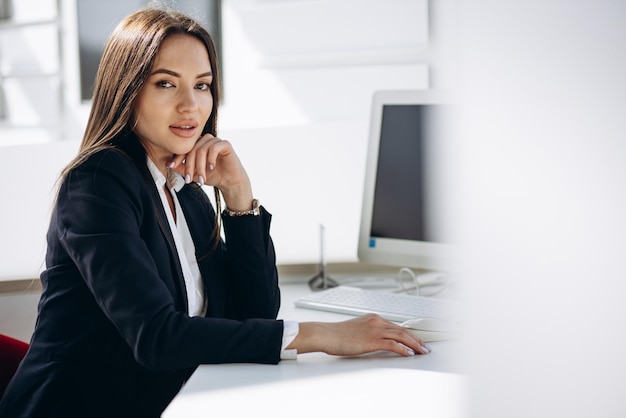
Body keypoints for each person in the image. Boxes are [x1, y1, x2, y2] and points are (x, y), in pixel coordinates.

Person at [0, 7, 429, 417]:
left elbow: (256, 312)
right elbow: (157, 337)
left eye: (202, 85)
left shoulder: (183, 188)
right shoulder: (96, 184)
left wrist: (239, 196)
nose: (191, 105)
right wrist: (324, 335)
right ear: (128, 90)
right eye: (166, 84)